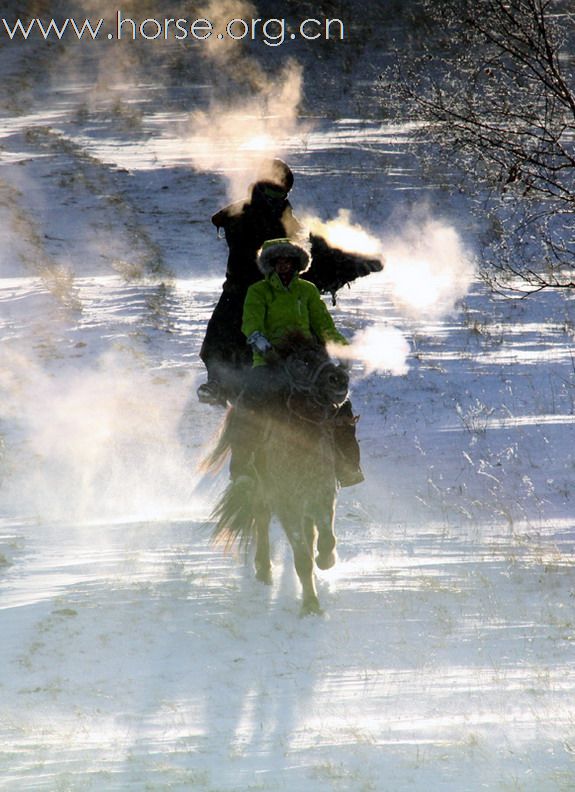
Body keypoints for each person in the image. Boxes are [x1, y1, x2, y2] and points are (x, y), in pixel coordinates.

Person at [232, 237, 364, 488]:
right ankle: (241, 470)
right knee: (247, 405)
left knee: (341, 404)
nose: (284, 266)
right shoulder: (258, 291)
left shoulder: (308, 290)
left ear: (296, 264)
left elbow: (324, 325)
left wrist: (343, 351)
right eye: (278, 261)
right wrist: (260, 342)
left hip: (307, 361)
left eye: (289, 261)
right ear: (270, 264)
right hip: (269, 360)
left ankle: (347, 466)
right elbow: (251, 323)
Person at [197, 158, 301, 406]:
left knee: (308, 331)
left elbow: (304, 247)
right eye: (271, 190)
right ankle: (219, 382)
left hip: (281, 289)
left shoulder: (286, 216)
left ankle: (318, 383)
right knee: (219, 334)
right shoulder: (242, 215)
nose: (275, 197)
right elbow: (238, 237)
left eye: (280, 192)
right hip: (242, 288)